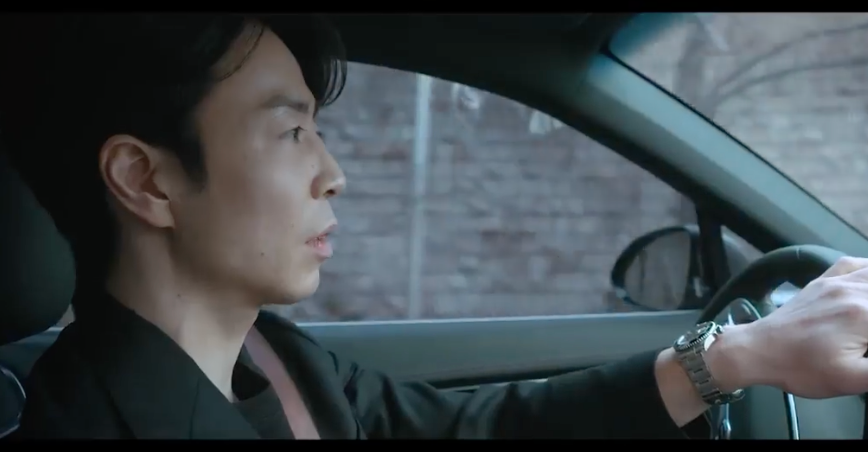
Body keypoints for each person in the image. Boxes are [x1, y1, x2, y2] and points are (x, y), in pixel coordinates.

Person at [3, 14, 868, 439]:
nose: (333, 172)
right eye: (291, 131)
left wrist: (736, 356)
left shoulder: (273, 358)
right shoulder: (86, 427)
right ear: (145, 179)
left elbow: (475, 431)